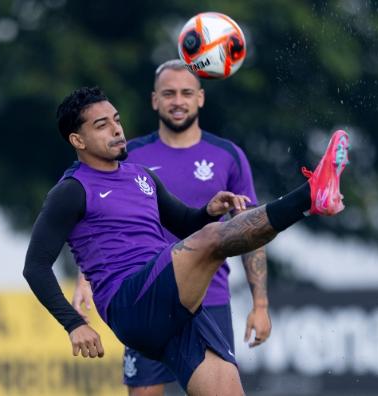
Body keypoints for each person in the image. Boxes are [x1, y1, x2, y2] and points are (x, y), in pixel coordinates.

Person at [23, 85, 349, 395]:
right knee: (210, 240)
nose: (117, 130)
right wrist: (73, 324)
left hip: (170, 308)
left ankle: (312, 200)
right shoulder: (71, 190)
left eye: (117, 120)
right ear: (78, 139)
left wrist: (208, 210)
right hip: (130, 303)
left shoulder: (142, 176)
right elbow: (35, 267)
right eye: (102, 125)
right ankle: (310, 196)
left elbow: (183, 225)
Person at [71, 59, 271, 395]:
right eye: (168, 93)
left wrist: (261, 305)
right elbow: (95, 215)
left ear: (201, 98)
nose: (177, 101)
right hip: (144, 295)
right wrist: (85, 279)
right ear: (154, 100)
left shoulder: (227, 156)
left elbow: (248, 231)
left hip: (212, 299)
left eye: (185, 93)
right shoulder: (127, 155)